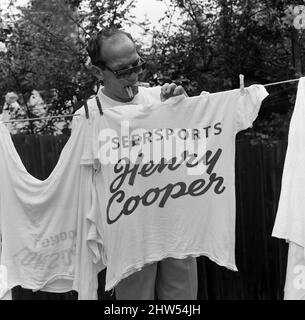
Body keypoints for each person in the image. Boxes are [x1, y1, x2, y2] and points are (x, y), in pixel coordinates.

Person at [74, 27, 198, 300]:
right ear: (98, 72)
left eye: (137, 65)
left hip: (175, 225)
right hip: (128, 235)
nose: (133, 75)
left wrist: (183, 109)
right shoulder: (88, 116)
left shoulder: (161, 99)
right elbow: (81, 185)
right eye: (122, 70)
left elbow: (194, 154)